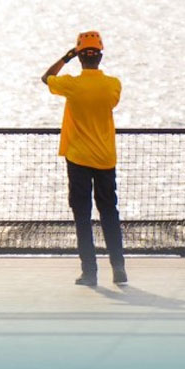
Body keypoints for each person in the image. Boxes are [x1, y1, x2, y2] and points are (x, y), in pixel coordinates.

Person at [41, 30, 127, 287]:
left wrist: (67, 56)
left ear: (80, 57)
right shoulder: (113, 84)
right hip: (105, 158)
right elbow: (110, 103)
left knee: (82, 215)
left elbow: (47, 78)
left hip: (78, 158)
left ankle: (89, 272)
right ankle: (118, 267)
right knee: (109, 212)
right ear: (100, 56)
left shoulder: (71, 85)